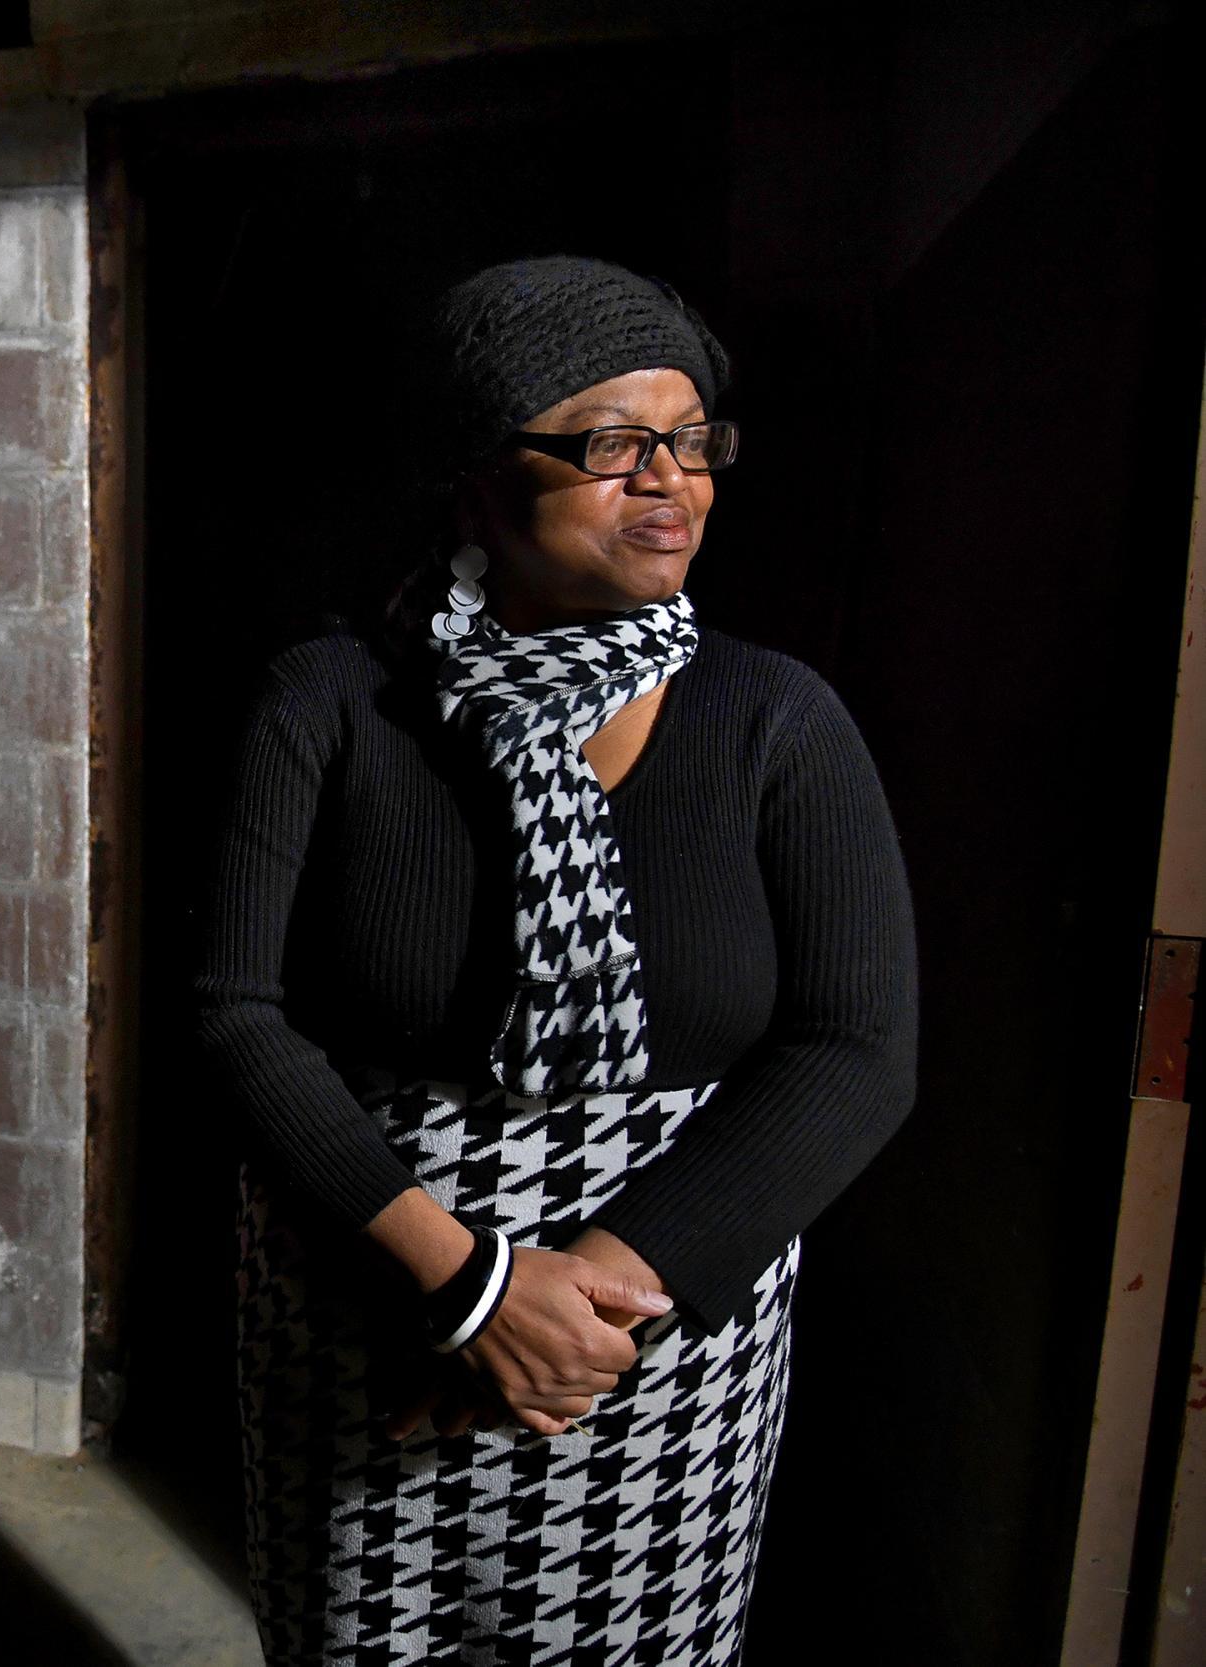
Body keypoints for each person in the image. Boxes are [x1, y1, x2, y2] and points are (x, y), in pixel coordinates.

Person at [194, 256, 918, 1665]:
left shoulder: (775, 718)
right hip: (374, 1291)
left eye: (692, 438)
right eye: (609, 443)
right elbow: (234, 1014)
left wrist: (579, 1302)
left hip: (655, 1333)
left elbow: (856, 1047)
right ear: (479, 472)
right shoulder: (332, 702)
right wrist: (465, 1289)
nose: (670, 477)